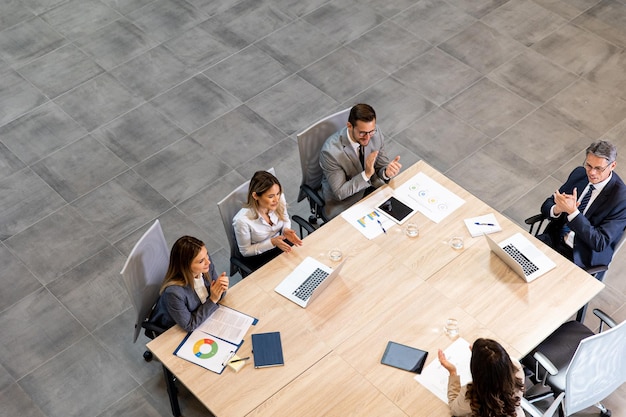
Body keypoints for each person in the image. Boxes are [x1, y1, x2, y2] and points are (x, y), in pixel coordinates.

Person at [537, 140, 626, 270]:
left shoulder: (621, 199)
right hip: (553, 239)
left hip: (580, 258)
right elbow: (547, 204)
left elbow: (599, 242)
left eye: (598, 168)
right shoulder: (580, 174)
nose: (592, 173)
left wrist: (573, 213)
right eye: (589, 165)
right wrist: (557, 209)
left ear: (612, 166)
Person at [319, 103, 402, 219]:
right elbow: (340, 193)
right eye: (362, 133)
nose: (368, 137)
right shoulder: (330, 153)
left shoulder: (375, 134)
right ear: (349, 126)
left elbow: (381, 166)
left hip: (372, 189)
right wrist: (366, 174)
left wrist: (386, 172)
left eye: (371, 131)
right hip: (345, 202)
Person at [149, 236, 229, 333]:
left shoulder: (206, 266)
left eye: (206, 255)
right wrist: (213, 299)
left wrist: (221, 287)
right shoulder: (174, 293)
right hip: (175, 331)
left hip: (202, 316)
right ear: (186, 265)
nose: (208, 261)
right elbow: (189, 325)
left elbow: (218, 296)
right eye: (201, 261)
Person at [233, 170, 302, 272]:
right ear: (256, 196)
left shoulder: (279, 198)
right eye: (270, 196)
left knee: (300, 266)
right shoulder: (242, 221)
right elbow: (246, 251)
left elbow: (285, 219)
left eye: (277, 193)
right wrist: (272, 242)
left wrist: (286, 230)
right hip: (259, 255)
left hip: (280, 242)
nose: (276, 199)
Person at [438, 338, 525, 417]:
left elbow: (455, 409)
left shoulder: (471, 397)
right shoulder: (517, 369)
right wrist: (484, 357)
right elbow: (497, 365)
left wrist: (452, 372)